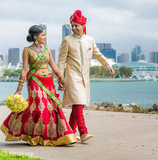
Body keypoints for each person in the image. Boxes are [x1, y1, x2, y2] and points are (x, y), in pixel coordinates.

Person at [0, 24, 77, 146]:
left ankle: (54, 136)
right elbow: (25, 69)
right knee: (40, 107)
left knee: (52, 108)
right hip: (35, 80)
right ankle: (35, 136)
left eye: (45, 34)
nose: (45, 37)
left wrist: (61, 78)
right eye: (43, 35)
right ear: (35, 37)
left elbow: (53, 66)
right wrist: (19, 89)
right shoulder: (27, 50)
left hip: (48, 80)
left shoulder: (47, 49)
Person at [58, 10, 115, 143]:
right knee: (78, 106)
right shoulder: (67, 40)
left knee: (78, 106)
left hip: (85, 79)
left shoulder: (90, 40)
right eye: (72, 25)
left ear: (83, 26)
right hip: (72, 78)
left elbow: (98, 55)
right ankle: (83, 133)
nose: (73, 28)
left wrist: (108, 66)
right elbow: (61, 61)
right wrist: (60, 78)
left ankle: (69, 133)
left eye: (76, 25)